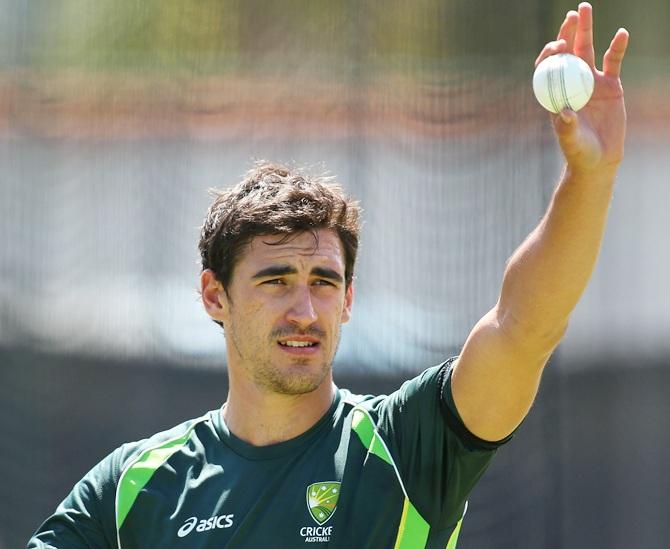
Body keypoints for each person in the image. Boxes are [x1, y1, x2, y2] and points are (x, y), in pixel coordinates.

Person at [28, 4, 629, 548]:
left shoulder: (404, 448)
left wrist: (590, 178)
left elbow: (523, 327)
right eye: (275, 280)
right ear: (215, 295)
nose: (305, 311)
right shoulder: (134, 486)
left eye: (324, 281)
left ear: (348, 300)